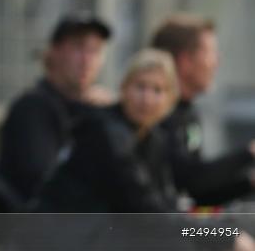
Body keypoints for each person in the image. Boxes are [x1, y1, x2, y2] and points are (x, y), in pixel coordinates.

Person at [31, 50, 255, 251]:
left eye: (157, 90)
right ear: (124, 89)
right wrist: (222, 236)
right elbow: (148, 212)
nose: (147, 98)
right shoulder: (106, 132)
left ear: (169, 99)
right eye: (140, 87)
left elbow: (167, 205)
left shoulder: (152, 139)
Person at [0, 13, 112, 205]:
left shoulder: (96, 109)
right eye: (78, 47)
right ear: (54, 52)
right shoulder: (33, 108)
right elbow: (45, 185)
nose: (87, 59)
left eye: (96, 50)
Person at [151, 15, 255, 206]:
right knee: (232, 233)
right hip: (149, 232)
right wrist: (248, 153)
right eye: (210, 52)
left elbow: (198, 192)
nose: (217, 62)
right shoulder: (155, 113)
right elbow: (188, 178)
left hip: (174, 226)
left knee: (235, 231)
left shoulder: (188, 112)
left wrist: (249, 182)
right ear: (185, 61)